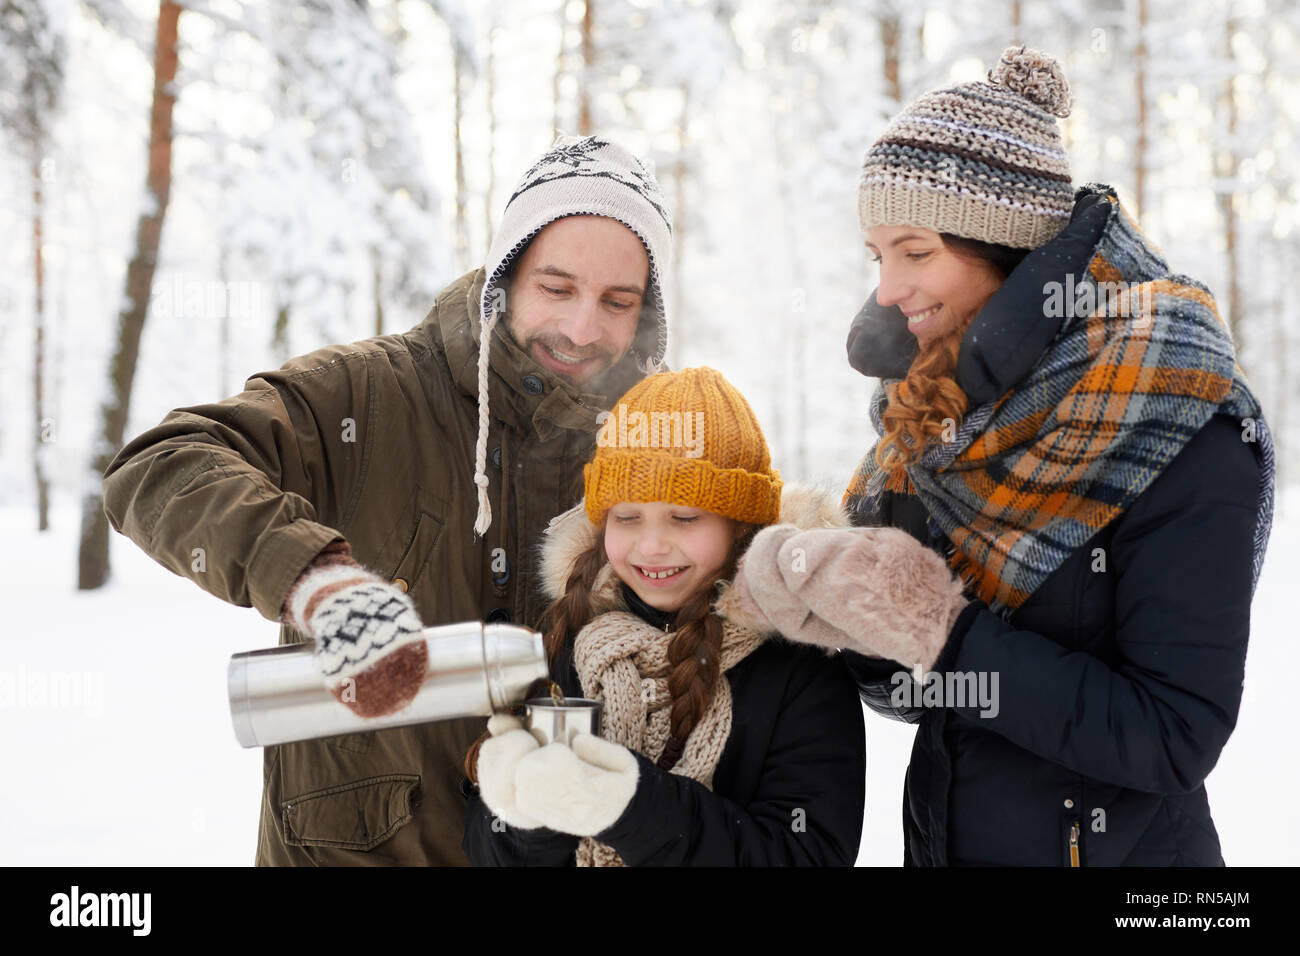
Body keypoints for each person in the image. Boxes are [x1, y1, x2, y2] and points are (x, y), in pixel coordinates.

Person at [726, 46, 1274, 866]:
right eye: (877, 257)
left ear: (1005, 247)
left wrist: (940, 629)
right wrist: (840, 607)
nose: (885, 289)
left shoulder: (1176, 414)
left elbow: (1172, 737)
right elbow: (928, 696)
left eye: (915, 252)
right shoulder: (935, 424)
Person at [102, 134, 675, 865]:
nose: (582, 328)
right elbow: (158, 464)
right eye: (556, 288)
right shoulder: (367, 396)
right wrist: (313, 579)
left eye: (616, 302)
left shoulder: (657, 446)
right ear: (505, 277)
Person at [461, 367, 865, 866]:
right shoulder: (570, 633)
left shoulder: (801, 667)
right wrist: (531, 814)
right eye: (626, 517)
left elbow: (806, 853)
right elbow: (489, 850)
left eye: (685, 517)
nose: (650, 546)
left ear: (740, 525)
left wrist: (630, 805)